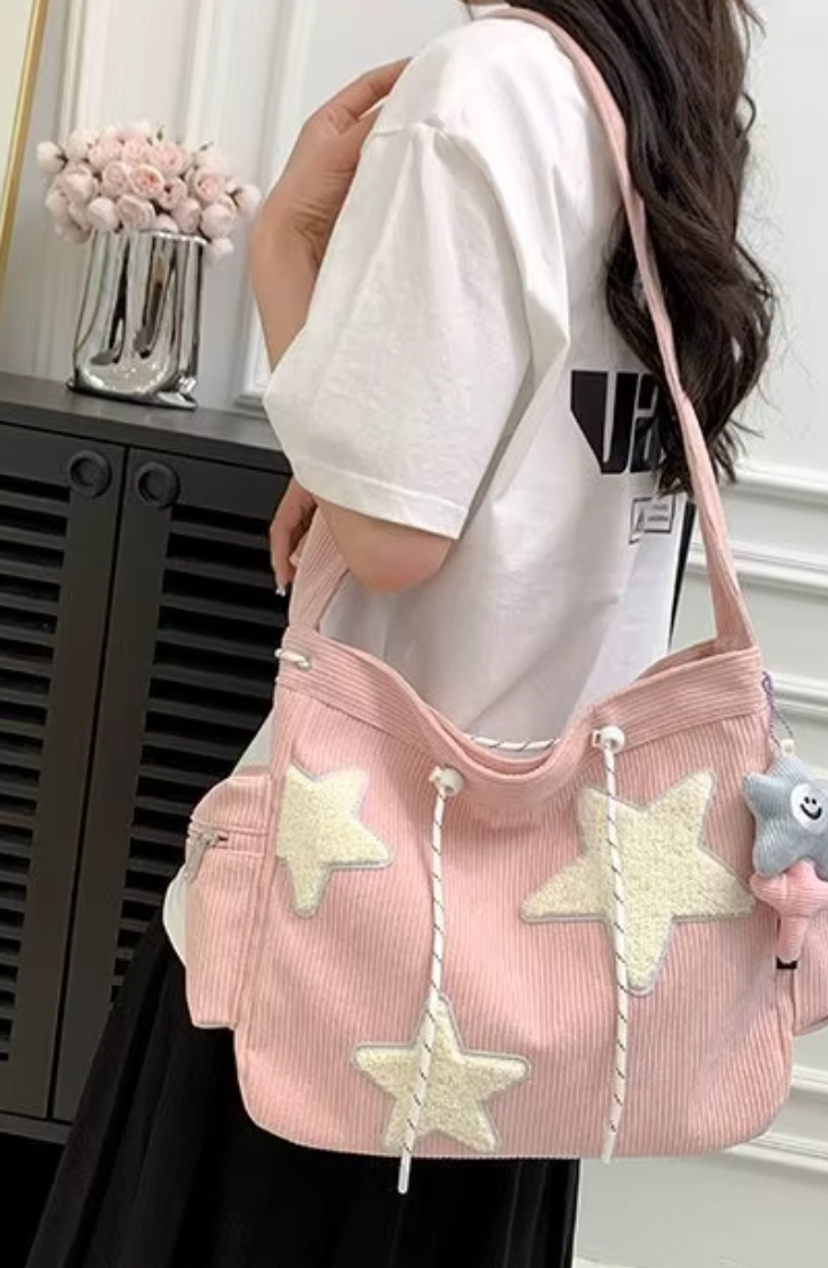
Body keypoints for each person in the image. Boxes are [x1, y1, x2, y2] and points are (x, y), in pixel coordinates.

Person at [29, 2, 772, 1265]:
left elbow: (389, 537)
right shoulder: (657, 96)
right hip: (535, 965)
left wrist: (284, 247)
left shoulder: (482, 83)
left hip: (357, 923)